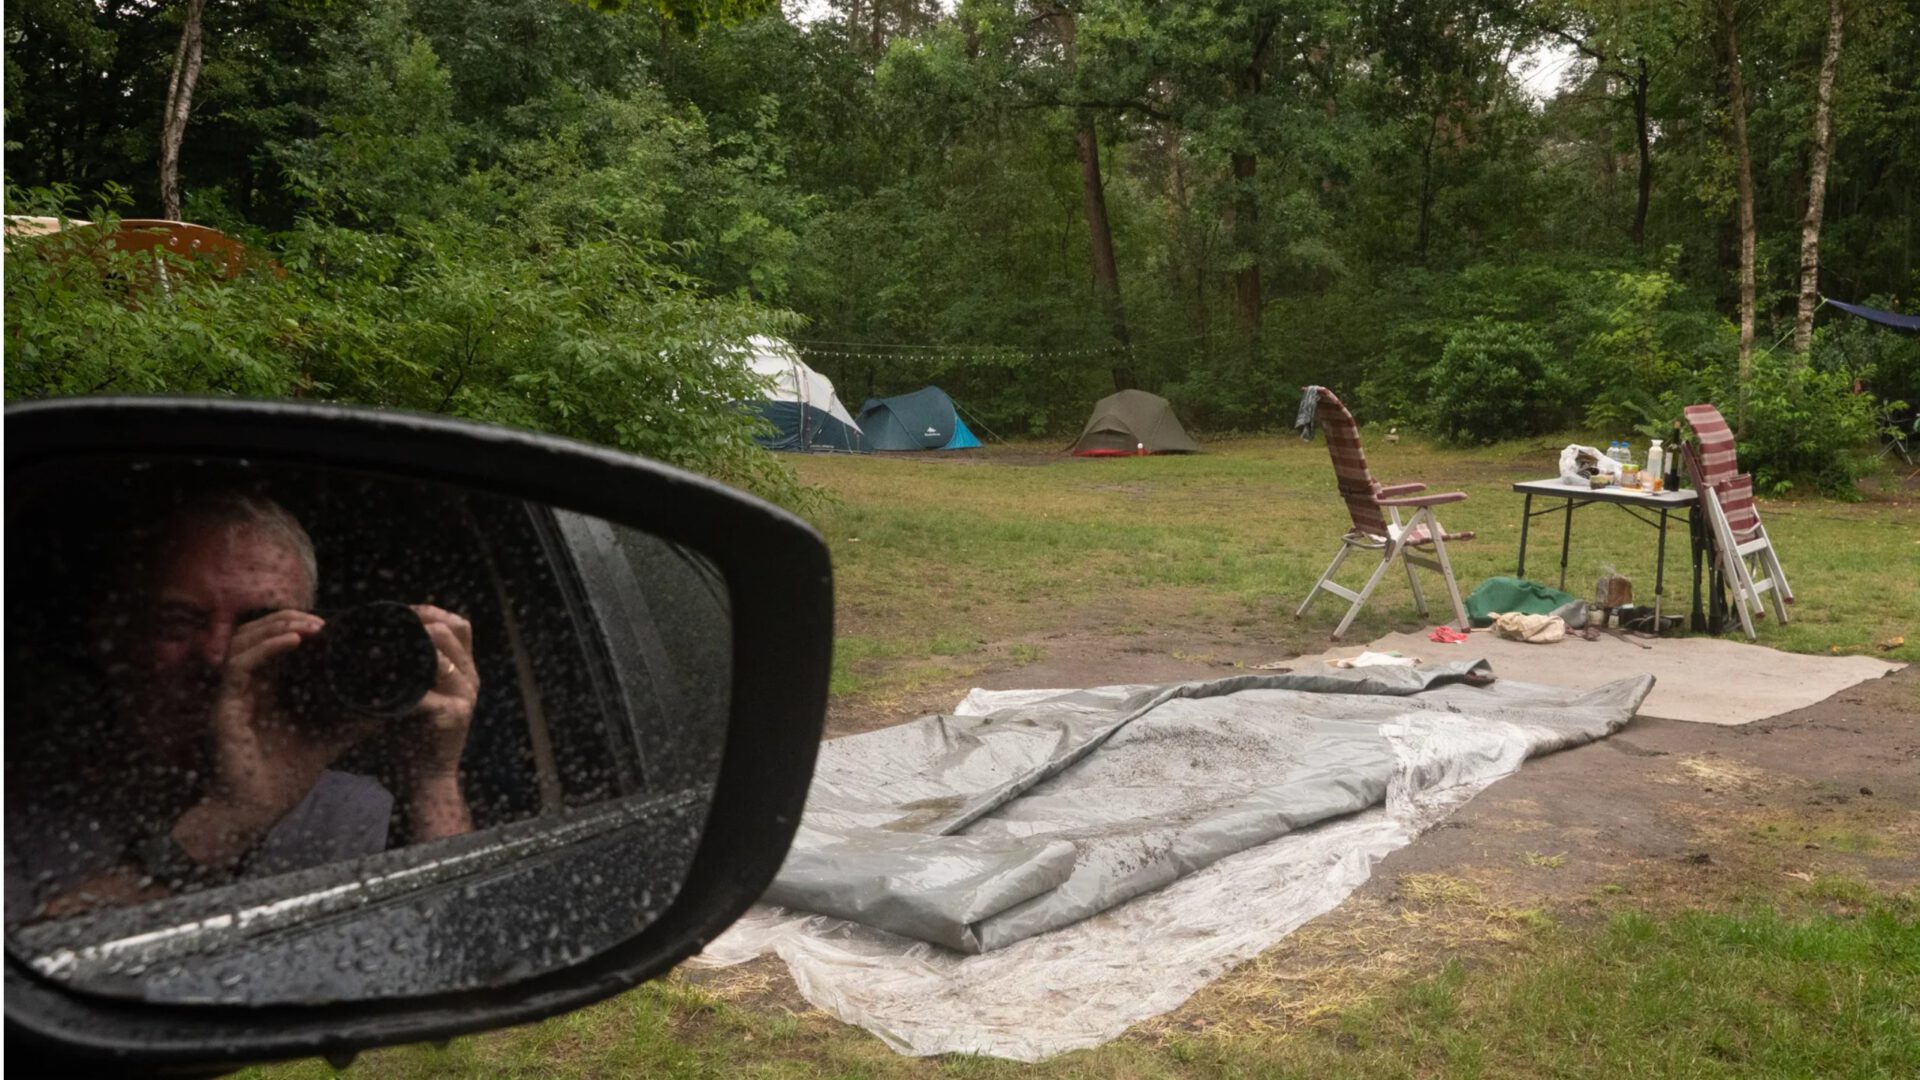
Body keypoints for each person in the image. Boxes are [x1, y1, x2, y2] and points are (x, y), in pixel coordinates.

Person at [5, 491, 478, 921]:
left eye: (262, 625)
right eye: (178, 623)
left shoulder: (350, 811)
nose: (215, 655)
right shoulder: (24, 812)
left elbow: (452, 948)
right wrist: (228, 819)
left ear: (310, 642)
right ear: (116, 640)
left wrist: (433, 775)